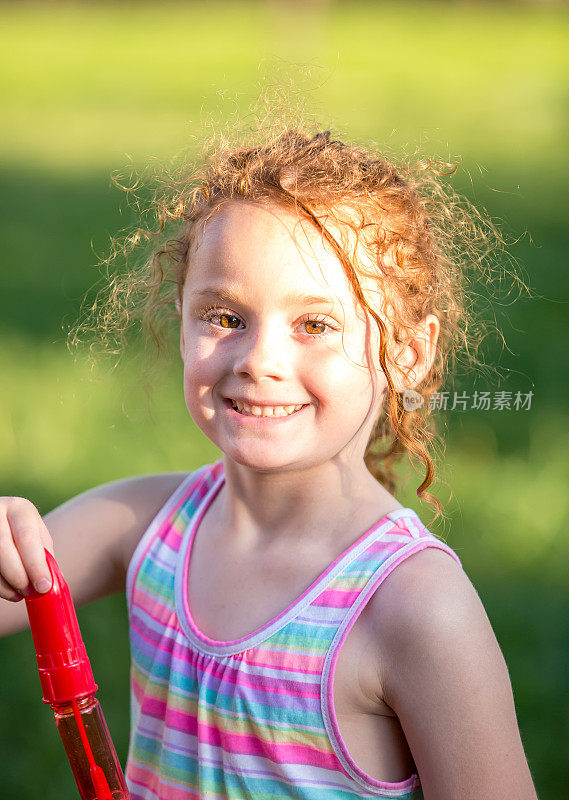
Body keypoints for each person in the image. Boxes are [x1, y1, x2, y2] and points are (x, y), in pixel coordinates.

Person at [0, 129, 538, 800]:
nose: (259, 361)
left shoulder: (414, 607)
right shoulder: (140, 525)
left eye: (315, 325)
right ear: (182, 317)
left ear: (406, 352)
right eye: (225, 317)